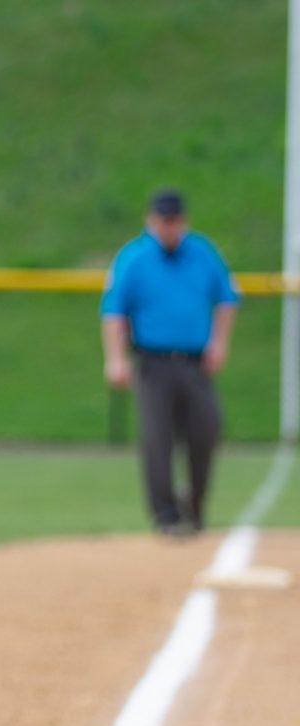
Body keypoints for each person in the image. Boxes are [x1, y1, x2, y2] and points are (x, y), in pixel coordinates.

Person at [100, 189, 240, 537]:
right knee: (157, 440)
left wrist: (219, 343)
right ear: (151, 221)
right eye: (163, 221)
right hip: (153, 362)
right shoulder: (134, 258)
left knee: (206, 431)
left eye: (174, 220)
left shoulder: (202, 252)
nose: (169, 227)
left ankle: (194, 507)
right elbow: (114, 312)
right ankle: (166, 516)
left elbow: (226, 298)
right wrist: (115, 359)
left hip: (195, 363)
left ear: (183, 221)